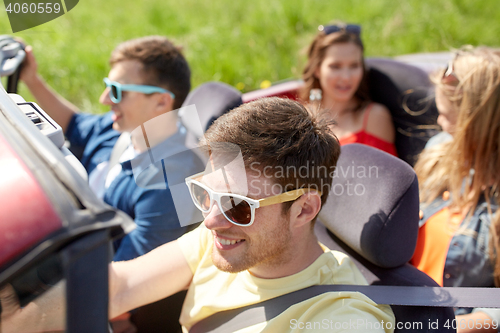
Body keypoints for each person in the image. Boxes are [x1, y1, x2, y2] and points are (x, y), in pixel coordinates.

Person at [1, 97, 395, 332]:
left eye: (239, 206)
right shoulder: (221, 239)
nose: (210, 220)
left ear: (304, 208)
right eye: (205, 195)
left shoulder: (343, 318)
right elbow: (117, 288)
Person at [19, 36, 204, 262]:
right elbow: (73, 123)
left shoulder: (165, 186)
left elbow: (128, 276)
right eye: (107, 86)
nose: (104, 99)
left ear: (161, 102)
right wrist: (31, 79)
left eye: (116, 91)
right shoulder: (121, 129)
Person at [411, 47, 500, 332]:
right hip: (399, 305)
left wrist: (446, 328)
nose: (439, 123)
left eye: (448, 117)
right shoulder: (438, 151)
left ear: (478, 125)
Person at [300, 22, 397, 156]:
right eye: (335, 66)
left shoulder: (375, 117)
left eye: (354, 66)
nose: (346, 77)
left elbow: (387, 174)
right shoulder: (300, 118)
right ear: (317, 69)